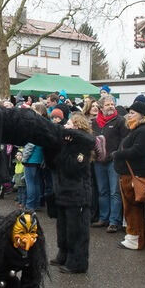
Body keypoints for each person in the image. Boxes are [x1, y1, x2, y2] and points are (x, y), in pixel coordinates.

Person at [50, 116, 95, 272]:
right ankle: (63, 255)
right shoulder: (66, 143)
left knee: (77, 230)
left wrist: (65, 148)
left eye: (69, 124)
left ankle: (77, 263)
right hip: (63, 191)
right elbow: (53, 164)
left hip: (78, 194)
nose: (65, 126)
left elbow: (71, 167)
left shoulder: (82, 146)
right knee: (63, 227)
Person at [113, 100, 145, 251]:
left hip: (134, 175)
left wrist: (117, 153)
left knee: (133, 208)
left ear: (142, 115)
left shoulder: (143, 130)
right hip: (129, 174)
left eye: (133, 113)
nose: (129, 115)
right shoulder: (138, 129)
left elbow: (137, 151)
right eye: (129, 113)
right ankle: (135, 236)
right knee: (132, 208)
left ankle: (135, 238)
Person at [91, 95, 127, 232]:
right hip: (98, 161)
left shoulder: (120, 121)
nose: (111, 106)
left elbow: (125, 139)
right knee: (102, 191)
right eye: (107, 105)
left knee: (114, 192)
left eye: (112, 104)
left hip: (113, 161)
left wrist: (116, 153)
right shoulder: (94, 122)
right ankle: (103, 218)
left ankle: (114, 221)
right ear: (101, 108)